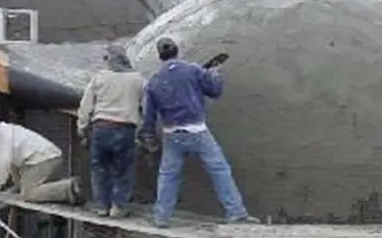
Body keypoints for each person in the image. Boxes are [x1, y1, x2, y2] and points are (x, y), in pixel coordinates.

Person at [139, 37, 254, 228]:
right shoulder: (192, 70)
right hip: (197, 132)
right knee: (219, 170)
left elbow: (149, 116)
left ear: (160, 57)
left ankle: (161, 218)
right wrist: (215, 73)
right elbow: (214, 91)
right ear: (177, 51)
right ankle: (236, 213)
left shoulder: (154, 81)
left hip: (171, 135)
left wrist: (148, 136)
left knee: (168, 176)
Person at [76, 43, 145, 218]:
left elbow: (86, 106)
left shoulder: (99, 78)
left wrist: (82, 128)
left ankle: (101, 206)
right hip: (126, 129)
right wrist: (143, 129)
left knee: (99, 168)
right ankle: (118, 206)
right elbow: (145, 106)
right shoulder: (137, 80)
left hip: (101, 128)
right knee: (124, 169)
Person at [0, 120, 82, 204]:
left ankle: (68, 187)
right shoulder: (5, 130)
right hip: (45, 157)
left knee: (29, 194)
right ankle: (18, 188)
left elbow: (3, 164)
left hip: (44, 159)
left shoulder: (0, 138)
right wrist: (14, 187)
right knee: (14, 166)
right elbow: (12, 164)